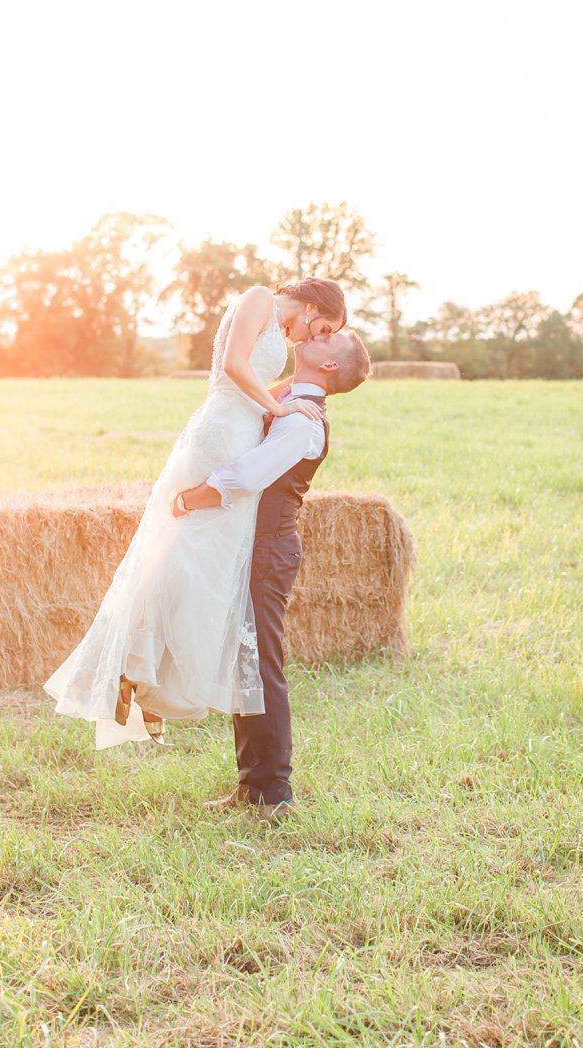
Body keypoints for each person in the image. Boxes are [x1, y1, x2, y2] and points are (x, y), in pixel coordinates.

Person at [44, 278, 348, 749]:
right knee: (184, 553)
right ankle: (138, 667)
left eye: (324, 334)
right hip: (225, 428)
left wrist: (289, 398)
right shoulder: (259, 298)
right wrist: (278, 408)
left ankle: (147, 676)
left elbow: (266, 379)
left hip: (242, 425)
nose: (312, 337)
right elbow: (232, 365)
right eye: (323, 325)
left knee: (199, 562)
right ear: (313, 305)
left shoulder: (283, 337)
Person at [172, 328, 372, 824]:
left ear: (329, 367)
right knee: (245, 662)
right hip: (249, 546)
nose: (317, 336)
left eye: (329, 338)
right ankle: (252, 784)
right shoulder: (283, 400)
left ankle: (275, 792)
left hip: (268, 550)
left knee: (261, 664)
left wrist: (188, 498)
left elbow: (247, 475)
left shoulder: (304, 422)